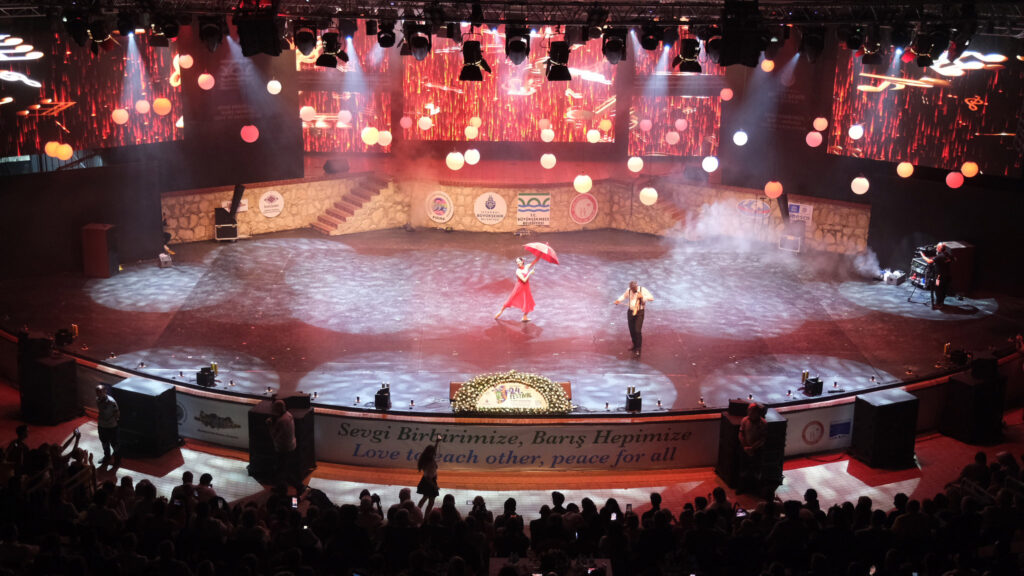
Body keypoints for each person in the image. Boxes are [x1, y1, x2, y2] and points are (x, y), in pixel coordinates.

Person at [266, 399, 305, 497]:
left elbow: (274, 437)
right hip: (290, 446)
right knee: (282, 470)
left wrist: (270, 425)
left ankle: (298, 487)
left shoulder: (281, 421)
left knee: (283, 471)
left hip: (284, 449)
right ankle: (282, 488)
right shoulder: (288, 415)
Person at [495, 254, 542, 322]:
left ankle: (525, 317)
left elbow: (535, 261)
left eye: (519, 261)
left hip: (526, 287)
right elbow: (524, 280)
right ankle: (501, 311)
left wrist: (540, 254)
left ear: (522, 261)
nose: (518, 263)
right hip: (519, 287)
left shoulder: (526, 266)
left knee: (528, 301)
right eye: (517, 262)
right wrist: (530, 273)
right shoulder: (518, 271)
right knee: (511, 299)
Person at [613, 281, 654, 357]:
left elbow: (651, 298)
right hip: (631, 312)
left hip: (639, 312)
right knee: (632, 330)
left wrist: (643, 297)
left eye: (634, 288)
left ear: (636, 286)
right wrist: (618, 300)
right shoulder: (628, 290)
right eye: (632, 289)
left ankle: (638, 349)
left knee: (637, 331)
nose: (633, 290)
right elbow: (624, 296)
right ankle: (634, 345)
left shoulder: (642, 290)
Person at [738, 402, 768, 494]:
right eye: (748, 410)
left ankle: (756, 489)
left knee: (757, 470)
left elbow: (762, 439)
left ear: (756, 412)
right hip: (745, 449)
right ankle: (742, 487)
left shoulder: (763, 423)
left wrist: (752, 448)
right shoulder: (745, 420)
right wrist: (745, 447)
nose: (748, 412)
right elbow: (741, 434)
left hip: (757, 450)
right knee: (743, 469)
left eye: (750, 410)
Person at [919, 243, 953, 309]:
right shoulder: (947, 254)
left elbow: (929, 261)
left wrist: (922, 255)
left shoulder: (940, 256)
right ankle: (941, 303)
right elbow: (954, 259)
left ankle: (938, 304)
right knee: (943, 290)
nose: (936, 248)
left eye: (937, 247)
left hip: (939, 277)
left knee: (938, 290)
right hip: (947, 276)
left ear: (940, 248)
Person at [416, 436, 442, 514]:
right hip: (429, 482)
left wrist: (437, 442)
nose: (434, 453)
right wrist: (434, 486)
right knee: (429, 500)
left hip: (429, 481)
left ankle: (418, 513)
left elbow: (434, 450)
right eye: (433, 452)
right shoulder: (429, 462)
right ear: (430, 453)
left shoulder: (429, 459)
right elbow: (428, 477)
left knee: (427, 499)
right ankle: (420, 515)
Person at [95, 385, 120, 466]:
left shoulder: (111, 402)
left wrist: (111, 421)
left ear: (105, 391)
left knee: (114, 444)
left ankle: (117, 460)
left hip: (111, 426)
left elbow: (117, 414)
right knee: (104, 442)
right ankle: (107, 457)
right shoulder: (97, 399)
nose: (98, 394)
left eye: (100, 392)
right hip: (102, 426)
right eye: (97, 392)